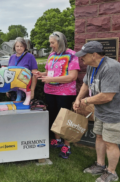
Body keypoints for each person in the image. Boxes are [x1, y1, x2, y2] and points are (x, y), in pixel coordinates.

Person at [73, 41, 120, 182]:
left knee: (110, 143)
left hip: (116, 113)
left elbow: (107, 96)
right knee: (99, 137)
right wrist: (78, 99)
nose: (81, 58)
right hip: (101, 111)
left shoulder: (111, 68)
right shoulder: (91, 66)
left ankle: (111, 172)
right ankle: (100, 165)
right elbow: (86, 83)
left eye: (83, 55)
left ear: (94, 55)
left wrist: (86, 101)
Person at [32, 31, 80, 159]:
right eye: (50, 43)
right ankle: (57, 140)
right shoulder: (52, 55)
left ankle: (67, 145)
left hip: (65, 92)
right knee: (53, 115)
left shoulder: (72, 55)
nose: (51, 45)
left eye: (52, 43)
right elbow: (49, 72)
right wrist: (41, 74)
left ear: (60, 42)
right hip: (50, 91)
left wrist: (50, 79)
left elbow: (72, 76)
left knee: (64, 119)